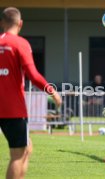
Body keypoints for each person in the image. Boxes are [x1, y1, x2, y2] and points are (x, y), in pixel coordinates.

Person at [0, 7, 62, 179]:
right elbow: (33, 76)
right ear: (20, 24)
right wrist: (53, 92)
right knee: (17, 155)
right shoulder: (20, 43)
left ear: (2, 23)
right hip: (12, 109)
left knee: (27, 148)